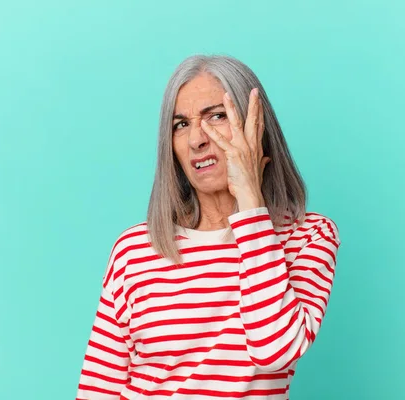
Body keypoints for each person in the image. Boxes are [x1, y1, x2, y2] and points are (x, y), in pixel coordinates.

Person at [75, 54, 341, 399]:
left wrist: (249, 198)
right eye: (180, 124)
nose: (196, 140)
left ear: (256, 127)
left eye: (216, 116)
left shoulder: (308, 236)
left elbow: (273, 351)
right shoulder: (135, 249)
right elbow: (99, 389)